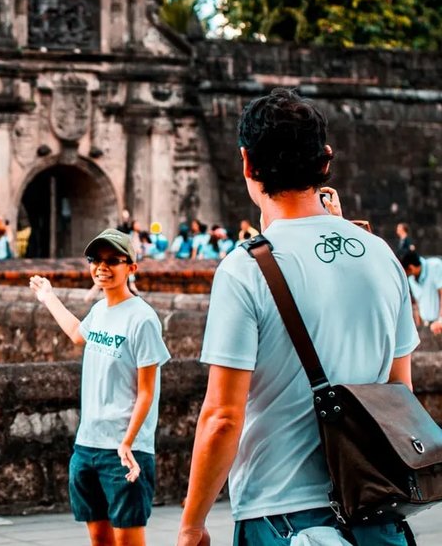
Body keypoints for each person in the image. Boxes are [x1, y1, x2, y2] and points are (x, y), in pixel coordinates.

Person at [178, 88, 419, 546]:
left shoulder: (245, 268)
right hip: (375, 506)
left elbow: (223, 417)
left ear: (247, 163)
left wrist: (192, 524)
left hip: (281, 512)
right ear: (325, 161)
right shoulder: (382, 255)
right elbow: (398, 392)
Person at [30, 228, 170, 546]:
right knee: (99, 538)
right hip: (87, 444)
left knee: (128, 539)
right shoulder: (99, 310)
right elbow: (77, 333)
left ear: (131, 267)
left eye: (112, 261)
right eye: (95, 260)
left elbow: (147, 391)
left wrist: (128, 442)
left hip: (124, 449)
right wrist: (48, 296)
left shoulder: (143, 319)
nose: (102, 267)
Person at [400, 251, 442, 335]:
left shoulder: (435, 266)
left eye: (406, 272)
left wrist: (440, 320)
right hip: (426, 326)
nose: (406, 275)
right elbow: (417, 301)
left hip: (439, 324)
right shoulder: (411, 279)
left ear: (411, 267)